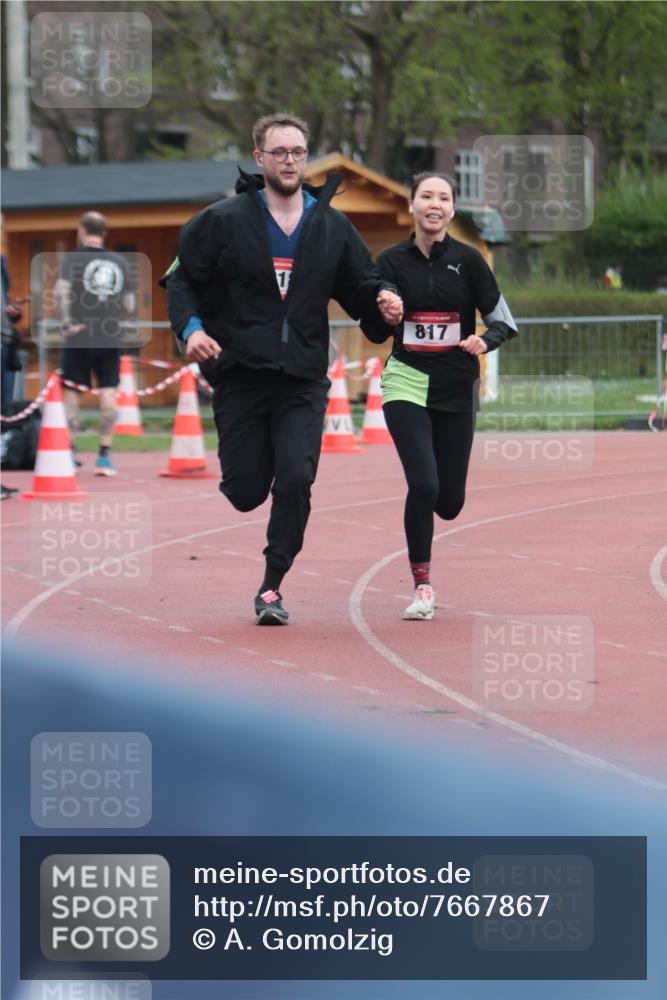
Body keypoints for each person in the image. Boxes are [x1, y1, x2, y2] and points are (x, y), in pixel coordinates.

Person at [162, 111, 402, 626]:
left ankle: (272, 585)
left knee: (295, 477)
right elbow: (181, 280)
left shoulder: (331, 225)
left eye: (297, 152)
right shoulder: (223, 220)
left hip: (303, 379)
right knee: (246, 492)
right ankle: (253, 463)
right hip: (241, 374)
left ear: (305, 158)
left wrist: (383, 300)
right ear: (260, 158)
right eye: (279, 152)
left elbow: (361, 285)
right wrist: (192, 329)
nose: (289, 161)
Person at [362, 172, 518, 620]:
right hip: (406, 380)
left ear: (452, 209)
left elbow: (504, 321)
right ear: (411, 206)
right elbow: (373, 330)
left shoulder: (469, 261)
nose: (435, 204)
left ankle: (431, 538)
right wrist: (387, 314)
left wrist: (484, 340)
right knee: (424, 485)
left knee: (449, 503)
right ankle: (423, 586)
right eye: (426, 196)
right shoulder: (390, 261)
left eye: (444, 197)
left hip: (456, 386)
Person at [54, 211, 135, 476]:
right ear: (104, 233)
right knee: (109, 393)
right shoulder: (120, 262)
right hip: (109, 336)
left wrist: (66, 321)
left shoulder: (73, 259)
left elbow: (61, 292)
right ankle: (104, 456)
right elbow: (129, 304)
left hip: (79, 335)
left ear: (81, 230)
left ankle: (68, 453)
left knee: (71, 393)